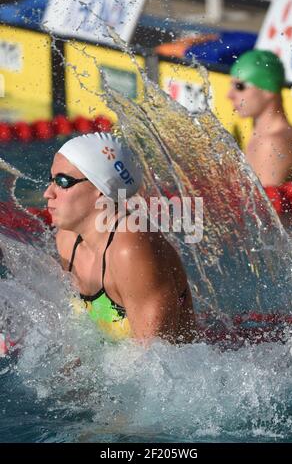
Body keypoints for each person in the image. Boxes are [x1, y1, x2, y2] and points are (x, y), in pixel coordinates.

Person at [44, 132, 197, 343]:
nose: (48, 193)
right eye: (50, 179)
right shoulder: (67, 240)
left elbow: (158, 362)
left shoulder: (130, 247)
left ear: (100, 189)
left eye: (62, 181)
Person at [228, 49, 292, 188]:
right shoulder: (262, 135)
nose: (229, 95)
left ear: (267, 89)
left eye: (239, 86)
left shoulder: (272, 144)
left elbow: (263, 208)